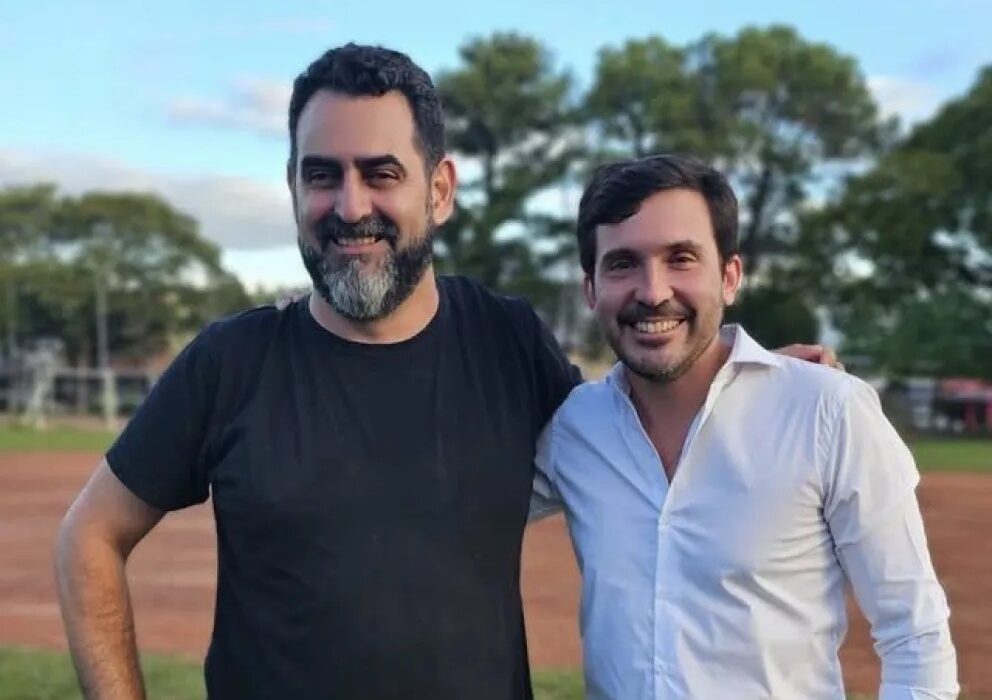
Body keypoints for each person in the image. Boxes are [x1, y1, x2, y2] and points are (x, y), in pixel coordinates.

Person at [54, 44, 837, 700]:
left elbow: (634, 439)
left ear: (439, 190)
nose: (349, 205)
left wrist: (744, 379)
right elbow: (90, 534)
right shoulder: (231, 362)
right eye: (322, 175)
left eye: (381, 173)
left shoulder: (507, 341)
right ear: (293, 186)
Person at [534, 154, 959, 700]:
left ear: (730, 277)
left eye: (681, 258)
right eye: (622, 264)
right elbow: (452, 510)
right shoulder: (574, 430)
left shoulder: (827, 412)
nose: (653, 291)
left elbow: (915, 634)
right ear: (591, 290)